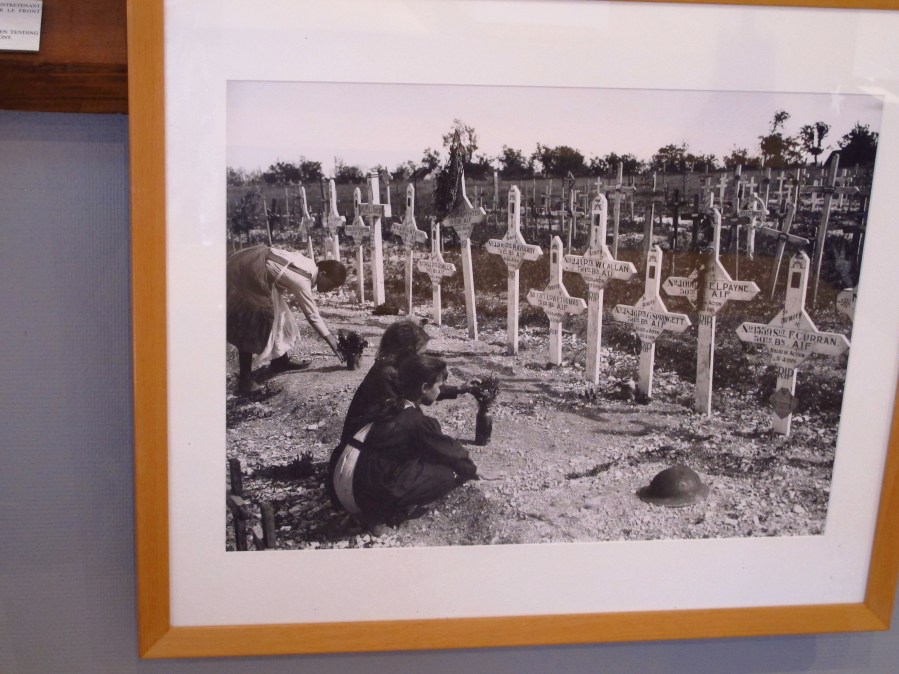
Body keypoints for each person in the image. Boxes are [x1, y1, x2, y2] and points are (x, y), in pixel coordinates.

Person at [331, 354, 478, 526]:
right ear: (424, 387)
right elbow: (447, 450)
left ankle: (371, 505)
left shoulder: (389, 403)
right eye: (440, 386)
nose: (440, 390)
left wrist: (458, 389)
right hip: (360, 496)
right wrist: (471, 469)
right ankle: (384, 514)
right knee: (444, 475)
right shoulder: (416, 421)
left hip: (340, 482)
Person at [226, 244, 347, 394]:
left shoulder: (309, 265)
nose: (331, 289)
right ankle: (245, 380)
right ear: (322, 273)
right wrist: (332, 342)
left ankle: (279, 361)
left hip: (255, 262)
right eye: (332, 284)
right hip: (249, 268)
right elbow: (312, 314)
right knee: (253, 319)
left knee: (280, 314)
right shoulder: (302, 280)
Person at [338, 319, 478, 444]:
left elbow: (425, 387)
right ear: (405, 351)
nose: (422, 358)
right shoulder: (388, 374)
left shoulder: (396, 367)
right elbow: (403, 416)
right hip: (360, 445)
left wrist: (459, 389)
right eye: (419, 354)